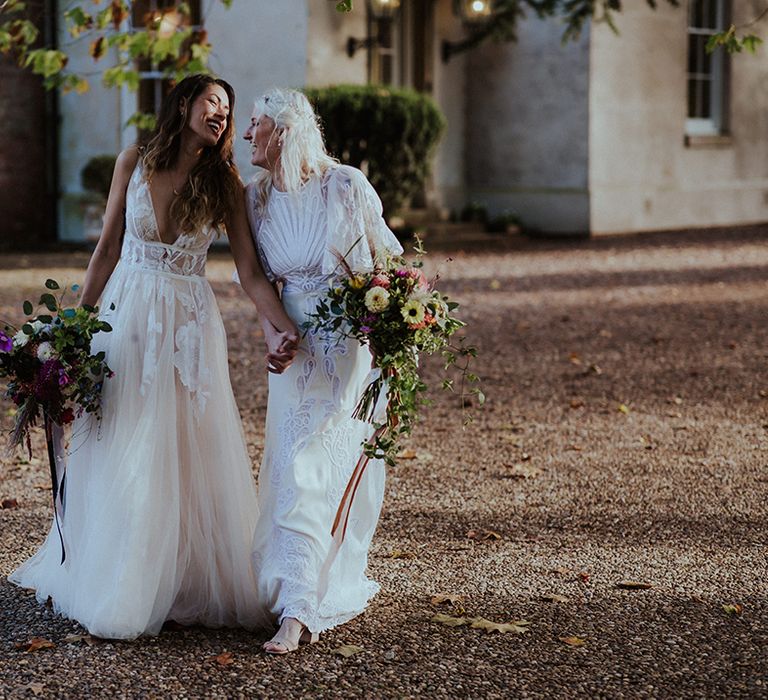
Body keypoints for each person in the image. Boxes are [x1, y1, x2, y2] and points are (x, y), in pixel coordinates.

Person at [9, 75, 298, 640]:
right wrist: (72, 327)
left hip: (188, 323)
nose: (220, 112)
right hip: (128, 312)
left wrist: (283, 327)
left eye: (227, 107)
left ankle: (180, 574)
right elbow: (108, 248)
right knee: (121, 429)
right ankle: (121, 571)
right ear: (185, 103)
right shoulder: (133, 161)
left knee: (183, 440)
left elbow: (249, 273)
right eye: (211, 100)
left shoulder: (226, 183)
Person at [243, 88, 404, 654]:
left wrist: (392, 342)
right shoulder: (255, 198)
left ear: (283, 132)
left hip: (345, 346)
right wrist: (273, 336)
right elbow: (260, 284)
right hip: (294, 349)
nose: (245, 136)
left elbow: (388, 267)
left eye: (255, 125)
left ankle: (300, 606)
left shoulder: (346, 186)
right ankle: (295, 586)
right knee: (289, 465)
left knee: (319, 466)